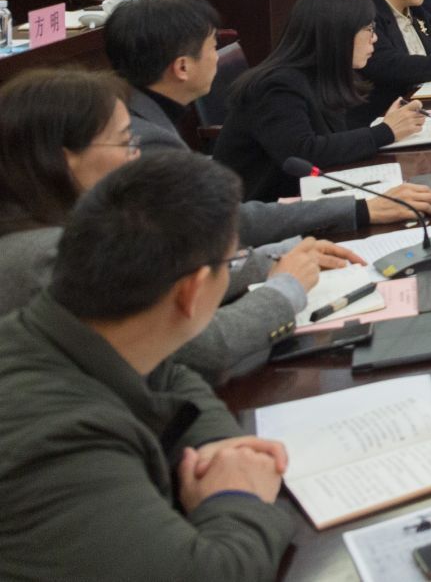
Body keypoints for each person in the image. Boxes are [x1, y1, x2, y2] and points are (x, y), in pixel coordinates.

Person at [0, 151, 298, 579]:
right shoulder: (55, 442)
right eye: (231, 263)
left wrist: (222, 448)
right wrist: (237, 495)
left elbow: (171, 375)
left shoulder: (67, 327)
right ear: (191, 292)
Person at [0, 70, 356, 382]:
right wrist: (285, 288)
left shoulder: (74, 222)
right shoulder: (46, 255)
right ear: (64, 159)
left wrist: (273, 260)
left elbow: (164, 279)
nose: (136, 154)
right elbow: (200, 346)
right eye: (125, 141)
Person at [102, 0, 431, 233]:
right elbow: (224, 220)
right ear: (181, 67)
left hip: (284, 209)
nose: (217, 58)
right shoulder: (146, 140)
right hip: (262, 215)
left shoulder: (144, 116)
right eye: (212, 48)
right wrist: (381, 138)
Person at [211, 0, 427, 201]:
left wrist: (385, 127)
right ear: (338, 33)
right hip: (262, 211)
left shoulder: (323, 76)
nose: (375, 38)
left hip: (306, 197)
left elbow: (331, 140)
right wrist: (385, 131)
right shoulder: (275, 87)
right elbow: (304, 154)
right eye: (369, 29)